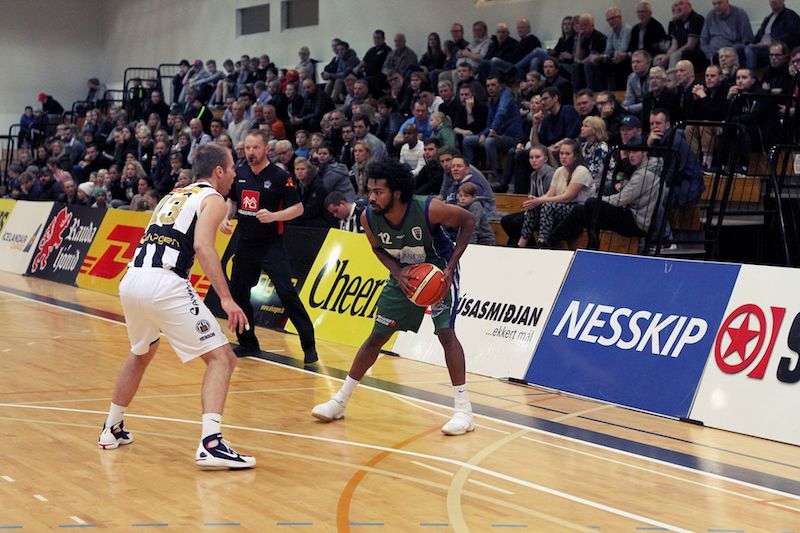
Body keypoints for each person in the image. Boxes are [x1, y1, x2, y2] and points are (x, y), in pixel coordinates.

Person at [97, 143, 255, 470]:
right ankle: (211, 444)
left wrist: (219, 221)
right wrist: (226, 299)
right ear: (219, 171)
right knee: (222, 358)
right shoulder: (213, 198)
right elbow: (202, 246)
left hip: (133, 278)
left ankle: (111, 427)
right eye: (232, 169)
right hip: (165, 282)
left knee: (141, 353)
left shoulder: (174, 194)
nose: (235, 175)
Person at [311, 158, 477, 436]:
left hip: (438, 273)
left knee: (446, 334)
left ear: (397, 193)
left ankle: (464, 412)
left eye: (378, 192)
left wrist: (450, 267)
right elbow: (377, 249)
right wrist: (397, 272)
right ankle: (339, 401)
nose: (371, 197)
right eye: (370, 191)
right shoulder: (368, 217)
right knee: (376, 337)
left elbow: (468, 220)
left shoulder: (429, 208)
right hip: (404, 275)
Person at [222, 129, 318, 363]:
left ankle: (309, 345)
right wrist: (225, 217)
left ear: (266, 149)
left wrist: (274, 216)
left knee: (286, 292)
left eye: (255, 147)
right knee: (238, 293)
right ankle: (248, 343)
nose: (251, 152)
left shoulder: (279, 176)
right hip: (245, 243)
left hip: (271, 245)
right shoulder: (239, 173)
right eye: (247, 148)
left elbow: (298, 209)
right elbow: (232, 200)